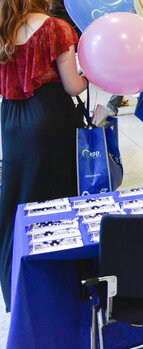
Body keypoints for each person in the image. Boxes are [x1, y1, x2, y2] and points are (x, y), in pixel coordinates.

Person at [0, 0, 88, 311]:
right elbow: (73, 86)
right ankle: (60, 282)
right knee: (57, 197)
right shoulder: (56, 28)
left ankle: (16, 285)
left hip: (11, 119)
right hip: (49, 117)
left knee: (17, 198)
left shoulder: (4, 26)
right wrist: (88, 77)